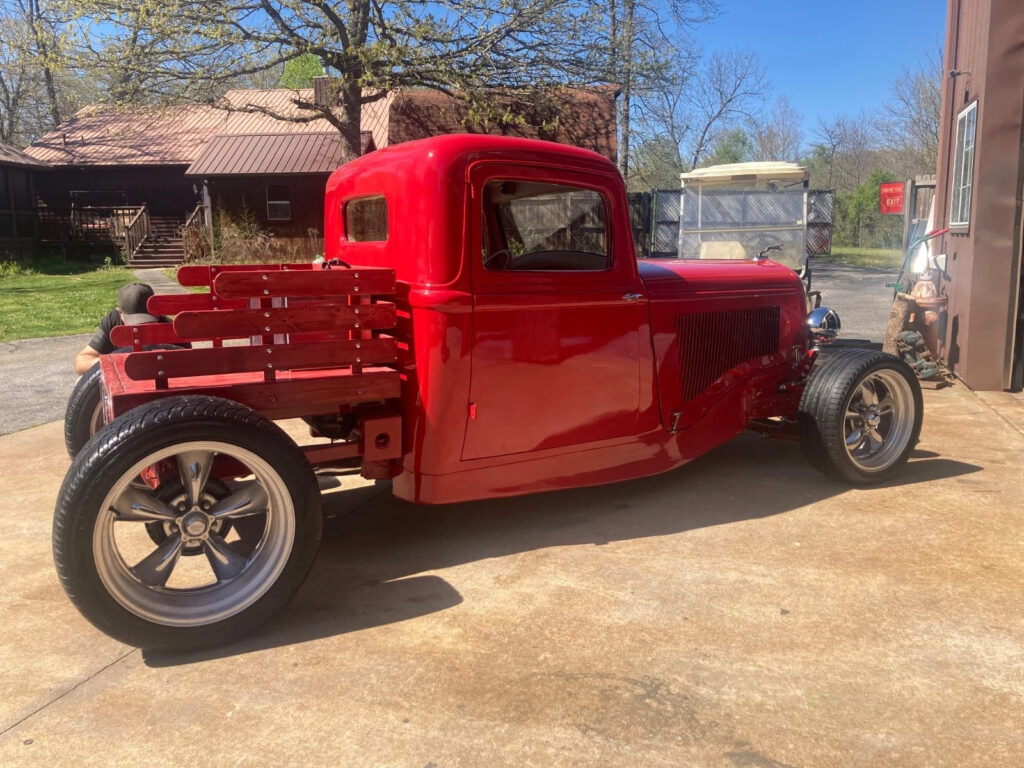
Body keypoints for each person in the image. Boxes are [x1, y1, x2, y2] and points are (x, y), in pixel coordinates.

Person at [73, 282, 163, 374]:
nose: (142, 327)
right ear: (120, 314)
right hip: (119, 374)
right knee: (81, 378)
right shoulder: (113, 321)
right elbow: (82, 361)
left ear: (157, 312)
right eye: (135, 322)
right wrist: (116, 362)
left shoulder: (166, 323)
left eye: (147, 320)